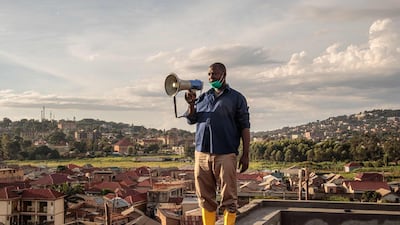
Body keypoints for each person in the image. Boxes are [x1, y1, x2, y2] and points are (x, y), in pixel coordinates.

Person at [184, 62, 250, 225]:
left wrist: (245, 154)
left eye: (214, 74)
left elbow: (245, 127)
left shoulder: (236, 98)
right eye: (209, 74)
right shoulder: (204, 97)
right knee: (205, 197)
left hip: (226, 153)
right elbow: (191, 119)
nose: (210, 77)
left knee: (229, 197)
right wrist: (191, 104)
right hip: (202, 154)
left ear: (224, 74)